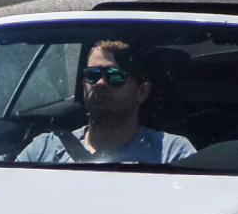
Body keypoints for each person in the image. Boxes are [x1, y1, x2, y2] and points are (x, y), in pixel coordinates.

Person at [10, 40, 196, 166]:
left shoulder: (171, 153)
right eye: (92, 75)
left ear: (142, 91)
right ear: (84, 83)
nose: (100, 84)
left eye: (114, 76)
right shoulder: (44, 149)